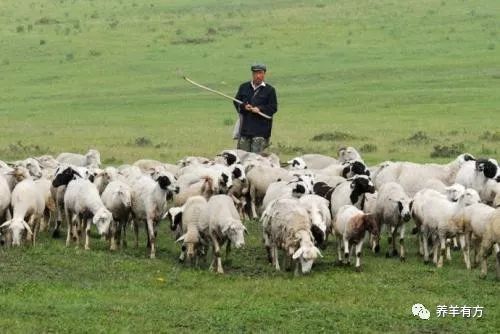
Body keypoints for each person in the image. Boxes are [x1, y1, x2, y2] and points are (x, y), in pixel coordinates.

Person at [234, 63, 278, 153]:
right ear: (252, 74)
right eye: (256, 73)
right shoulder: (244, 87)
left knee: (256, 160)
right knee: (242, 157)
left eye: (260, 73)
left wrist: (259, 109)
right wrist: (244, 106)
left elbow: (273, 107)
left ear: (264, 74)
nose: (258, 76)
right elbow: (236, 102)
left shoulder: (270, 90)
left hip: (260, 131)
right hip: (245, 129)